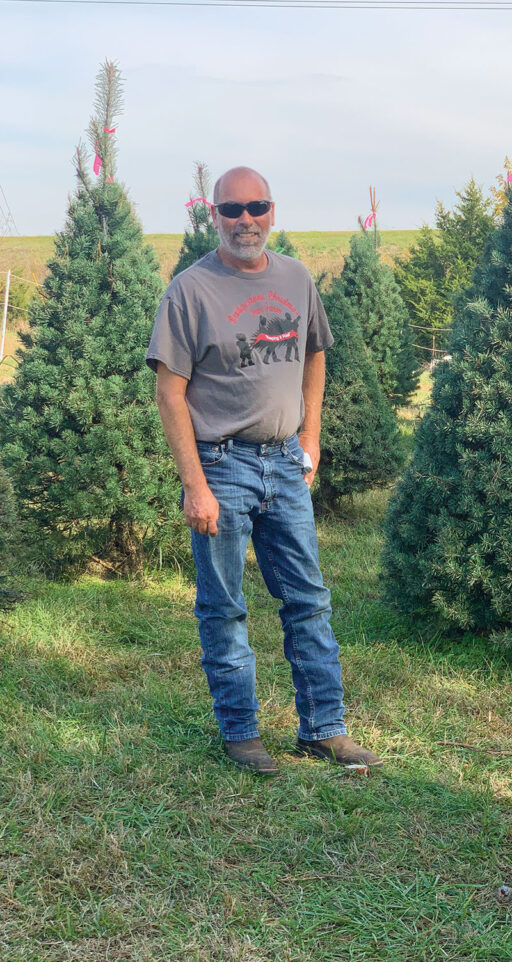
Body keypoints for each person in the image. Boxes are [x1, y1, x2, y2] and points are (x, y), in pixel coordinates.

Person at [146, 166, 382, 775]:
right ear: (214, 215)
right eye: (231, 209)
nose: (244, 219)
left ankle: (324, 730)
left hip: (284, 462)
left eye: (256, 206)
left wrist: (310, 436)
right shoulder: (190, 292)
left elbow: (314, 355)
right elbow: (170, 393)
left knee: (308, 599)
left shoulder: (296, 279)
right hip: (222, 465)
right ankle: (242, 734)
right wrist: (195, 485)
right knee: (224, 606)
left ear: (272, 212)